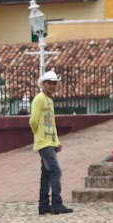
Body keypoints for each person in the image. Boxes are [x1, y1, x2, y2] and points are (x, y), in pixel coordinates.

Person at [32, 71, 73, 215]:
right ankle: (56, 202)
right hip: (44, 142)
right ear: (43, 83)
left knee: (47, 173)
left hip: (50, 141)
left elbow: (52, 123)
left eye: (54, 83)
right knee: (56, 171)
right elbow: (33, 121)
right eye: (50, 83)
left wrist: (56, 141)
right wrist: (39, 134)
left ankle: (43, 205)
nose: (52, 86)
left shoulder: (49, 101)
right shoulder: (39, 99)